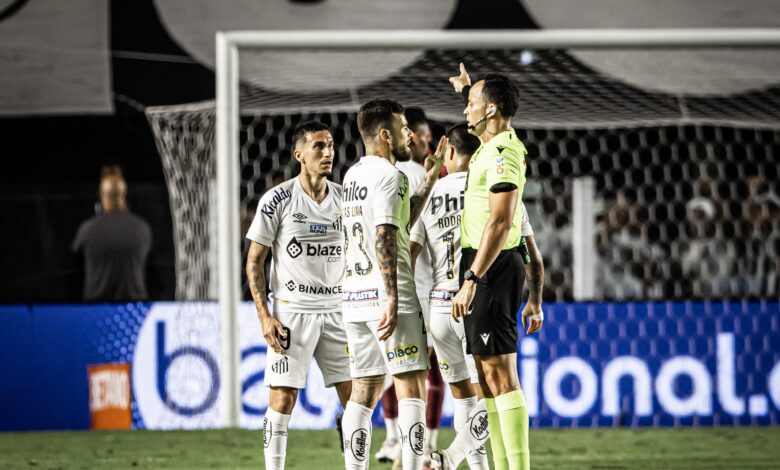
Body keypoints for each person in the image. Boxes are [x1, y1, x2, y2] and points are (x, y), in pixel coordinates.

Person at [413, 124, 544, 470]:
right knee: (495, 392)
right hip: (476, 299)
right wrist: (535, 299)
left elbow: (408, 254)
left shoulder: (429, 193)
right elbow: (529, 252)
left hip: (439, 307)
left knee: (465, 403)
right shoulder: (492, 187)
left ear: (450, 153)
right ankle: (451, 458)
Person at [340, 98, 448, 470]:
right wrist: (391, 297)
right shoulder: (393, 175)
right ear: (385, 135)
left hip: (354, 297)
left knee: (364, 391)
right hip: (392, 300)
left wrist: (430, 180)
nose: (410, 137)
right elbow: (386, 235)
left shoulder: (352, 176)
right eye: (404, 129)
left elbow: (397, 222)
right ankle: (415, 467)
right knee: (412, 385)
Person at [448, 64, 545, 470]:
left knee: (501, 374)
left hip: (491, 266)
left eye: (472, 104)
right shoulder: (489, 143)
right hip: (480, 261)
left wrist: (473, 278)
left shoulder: (504, 152)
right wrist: (470, 91)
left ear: (490, 111)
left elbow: (502, 221)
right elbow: (482, 115)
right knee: (486, 378)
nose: (465, 110)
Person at [245, 121, 352, 470]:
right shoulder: (277, 199)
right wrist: (265, 315)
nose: (327, 153)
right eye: (318, 146)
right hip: (293, 313)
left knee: (357, 400)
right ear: (299, 154)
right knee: (283, 398)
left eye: (331, 145)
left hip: (338, 311)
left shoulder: (345, 199)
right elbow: (254, 262)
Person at [376, 106, 447, 468]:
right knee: (421, 377)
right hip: (419, 291)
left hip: (373, 290)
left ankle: (394, 442)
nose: (424, 142)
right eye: (421, 136)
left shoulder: (367, 173)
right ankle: (417, 453)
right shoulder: (422, 174)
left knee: (379, 377)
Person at [72, 165, 152, 301]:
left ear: (102, 196)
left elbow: (74, 270)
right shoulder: (143, 228)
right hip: (134, 309)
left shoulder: (87, 229)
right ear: (124, 196)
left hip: (95, 309)